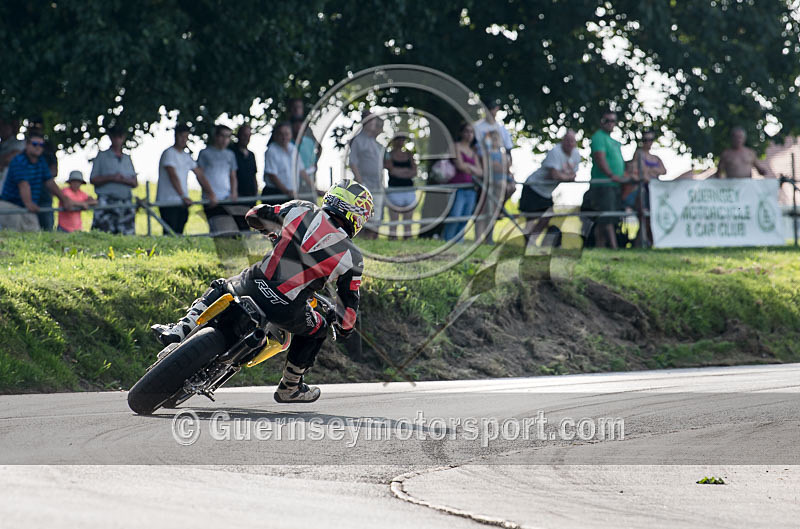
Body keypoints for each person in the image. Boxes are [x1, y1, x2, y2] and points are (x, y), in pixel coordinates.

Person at [151, 180, 374, 403]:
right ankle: (291, 386)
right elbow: (348, 312)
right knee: (319, 329)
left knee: (221, 286)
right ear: (356, 215)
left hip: (252, 283)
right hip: (287, 308)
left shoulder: (302, 209)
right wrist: (343, 326)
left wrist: (270, 231)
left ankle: (179, 330)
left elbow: (254, 214)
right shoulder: (353, 257)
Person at [0, 131, 74, 231]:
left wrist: (64, 200)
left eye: (41, 145)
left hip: (26, 207)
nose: (38, 147)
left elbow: (50, 182)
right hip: (12, 206)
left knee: (34, 232)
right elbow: (23, 184)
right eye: (34, 144)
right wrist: (29, 203)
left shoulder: (41, 161)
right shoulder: (19, 160)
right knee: (15, 233)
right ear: (27, 145)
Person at [156, 124, 217, 235]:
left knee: (179, 232)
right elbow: (172, 176)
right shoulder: (169, 154)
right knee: (170, 233)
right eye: (181, 136)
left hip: (182, 203)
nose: (184, 140)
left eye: (186, 137)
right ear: (176, 136)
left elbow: (199, 174)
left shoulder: (186, 156)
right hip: (168, 201)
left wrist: (211, 193)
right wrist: (183, 195)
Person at [521, 129, 580, 242]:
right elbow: (554, 175)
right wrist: (566, 176)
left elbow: (573, 175)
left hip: (547, 192)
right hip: (533, 187)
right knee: (531, 219)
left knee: (547, 217)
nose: (569, 144)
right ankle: (525, 245)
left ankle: (532, 241)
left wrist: (563, 176)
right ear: (562, 141)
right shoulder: (555, 151)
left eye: (572, 141)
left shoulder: (576, 155)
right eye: (567, 140)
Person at [587, 110, 625, 249]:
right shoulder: (598, 137)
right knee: (606, 217)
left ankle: (600, 246)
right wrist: (611, 175)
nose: (610, 123)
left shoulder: (614, 141)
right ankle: (614, 247)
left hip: (614, 185)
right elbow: (599, 158)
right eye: (607, 120)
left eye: (613, 121)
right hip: (603, 184)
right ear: (601, 122)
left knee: (607, 218)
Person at [90, 126, 138, 235]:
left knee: (127, 236)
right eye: (115, 137)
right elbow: (93, 179)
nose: (117, 140)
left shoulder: (127, 158)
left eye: (120, 137)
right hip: (106, 202)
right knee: (103, 235)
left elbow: (135, 182)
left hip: (125, 203)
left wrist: (123, 179)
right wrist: (111, 178)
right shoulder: (101, 156)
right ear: (110, 138)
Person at [442, 122, 482, 242]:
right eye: (467, 131)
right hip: (457, 187)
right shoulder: (455, 146)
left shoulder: (473, 152)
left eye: (471, 132)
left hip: (470, 188)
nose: (469, 134)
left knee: (465, 217)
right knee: (455, 215)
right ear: (461, 133)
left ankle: (459, 242)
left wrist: (467, 166)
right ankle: (447, 240)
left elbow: (481, 172)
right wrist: (472, 168)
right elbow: (459, 166)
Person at [349, 112, 385, 239]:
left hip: (377, 185)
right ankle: (365, 243)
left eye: (374, 120)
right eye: (370, 120)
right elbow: (353, 163)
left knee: (377, 218)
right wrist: (361, 184)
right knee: (364, 218)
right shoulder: (357, 140)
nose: (373, 123)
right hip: (365, 185)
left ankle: (373, 244)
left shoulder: (374, 141)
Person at [474, 129, 514, 244]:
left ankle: (488, 239)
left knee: (492, 214)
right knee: (483, 213)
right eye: (493, 139)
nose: (495, 141)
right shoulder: (487, 154)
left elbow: (505, 170)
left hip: (499, 189)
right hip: (488, 188)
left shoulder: (503, 155)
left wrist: (509, 179)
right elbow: (492, 168)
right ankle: (478, 239)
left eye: (497, 139)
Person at [198, 124, 238, 234]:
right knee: (218, 230)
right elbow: (200, 175)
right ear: (215, 136)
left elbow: (232, 175)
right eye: (222, 136)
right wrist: (210, 194)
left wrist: (234, 192)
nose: (225, 140)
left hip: (227, 198)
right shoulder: (205, 153)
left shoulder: (230, 154)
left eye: (228, 137)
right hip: (211, 199)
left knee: (229, 232)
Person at [262, 122, 314, 203]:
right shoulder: (271, 150)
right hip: (275, 194)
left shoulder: (293, 148)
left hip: (290, 195)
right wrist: (286, 191)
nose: (284, 137)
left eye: (287, 134)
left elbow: (302, 171)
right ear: (275, 135)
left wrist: (313, 189)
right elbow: (272, 175)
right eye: (281, 134)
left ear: (291, 135)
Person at [384, 135, 417, 239]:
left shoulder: (409, 154)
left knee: (408, 221)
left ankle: (408, 240)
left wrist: (399, 171)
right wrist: (406, 172)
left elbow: (414, 171)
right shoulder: (389, 154)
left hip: (409, 190)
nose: (401, 141)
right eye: (399, 139)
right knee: (394, 221)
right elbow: (391, 170)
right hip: (394, 190)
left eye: (403, 139)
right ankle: (392, 240)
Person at [229, 124, 258, 229]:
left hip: (250, 198)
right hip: (236, 197)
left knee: (247, 228)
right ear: (238, 135)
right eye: (244, 135)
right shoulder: (231, 152)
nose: (246, 138)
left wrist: (256, 194)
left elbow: (254, 175)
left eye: (249, 135)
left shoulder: (251, 155)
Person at [474, 96, 513, 163]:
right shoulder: (476, 127)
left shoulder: (502, 128)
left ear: (497, 108)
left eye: (492, 108)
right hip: (481, 163)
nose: (491, 111)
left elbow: (508, 150)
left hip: (499, 163)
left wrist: (508, 167)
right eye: (488, 109)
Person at [290, 116, 319, 200]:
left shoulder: (309, 142)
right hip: (295, 180)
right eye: (296, 127)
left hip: (309, 178)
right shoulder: (289, 144)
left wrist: (315, 164)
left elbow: (314, 156)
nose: (299, 130)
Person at [0, 117, 25, 192]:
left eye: (4, 125)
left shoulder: (20, 143)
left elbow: (9, 159)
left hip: (8, 190)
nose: (1, 128)